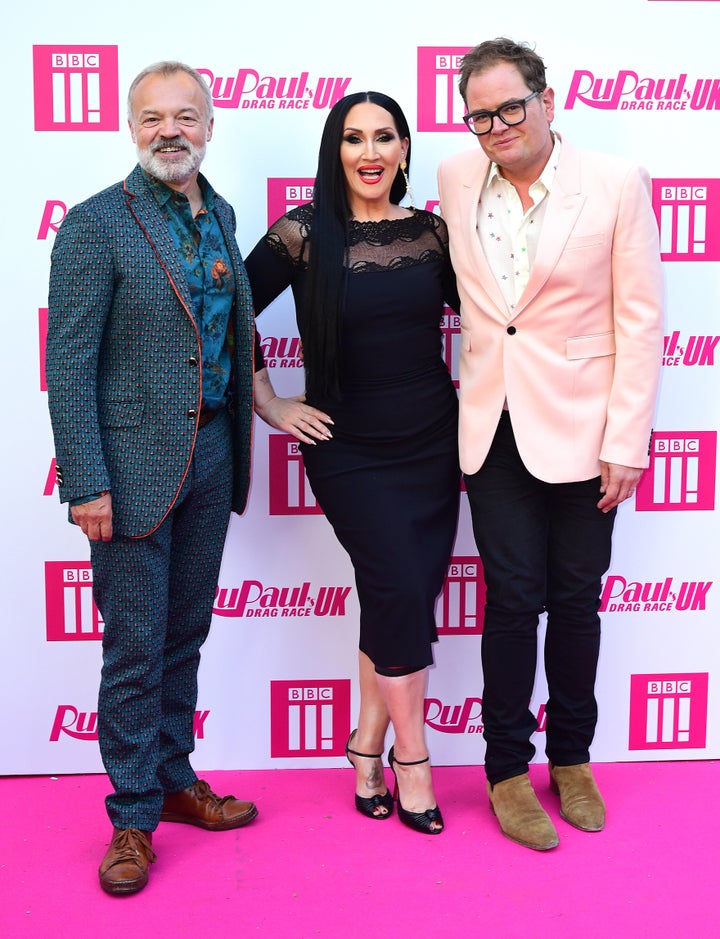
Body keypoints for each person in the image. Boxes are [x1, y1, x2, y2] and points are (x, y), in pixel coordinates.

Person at [45, 61, 321, 895]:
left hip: (211, 456)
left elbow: (227, 334)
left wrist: (263, 407)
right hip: (126, 472)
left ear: (209, 125)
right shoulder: (97, 224)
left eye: (186, 116)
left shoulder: (222, 214)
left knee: (184, 635)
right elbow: (69, 363)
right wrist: (86, 480)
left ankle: (171, 779)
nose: (171, 130)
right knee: (134, 648)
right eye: (153, 117)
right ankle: (131, 817)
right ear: (132, 127)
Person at [437, 38, 664, 850]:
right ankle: (506, 768)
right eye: (478, 114)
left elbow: (639, 319)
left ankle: (572, 758)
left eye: (509, 107)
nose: (494, 125)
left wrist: (626, 437)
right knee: (512, 596)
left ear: (547, 100)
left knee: (575, 597)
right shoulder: (456, 176)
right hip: (492, 423)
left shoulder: (614, 182)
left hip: (586, 426)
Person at [245, 91, 461, 835]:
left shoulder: (433, 234)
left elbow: (502, 325)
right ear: (334, 151)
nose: (369, 152)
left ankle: (364, 743)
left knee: (395, 594)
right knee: (399, 583)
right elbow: (223, 308)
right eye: (353, 138)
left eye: (384, 137)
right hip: (349, 450)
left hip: (434, 442)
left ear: (404, 150)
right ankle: (414, 760)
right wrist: (269, 402)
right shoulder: (304, 233)